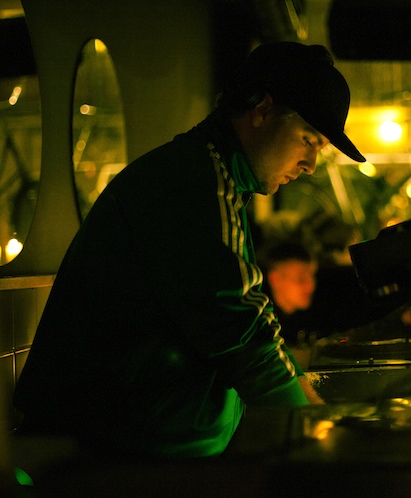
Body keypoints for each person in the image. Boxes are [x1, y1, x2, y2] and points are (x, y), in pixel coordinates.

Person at [13, 42, 365, 458]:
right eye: (308, 140)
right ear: (263, 109)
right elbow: (242, 335)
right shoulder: (194, 184)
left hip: (132, 452)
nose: (310, 165)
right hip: (105, 459)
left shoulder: (214, 177)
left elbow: (248, 323)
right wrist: (323, 435)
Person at [260, 240, 318, 370]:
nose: (310, 286)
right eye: (301, 279)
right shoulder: (261, 325)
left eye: (312, 276)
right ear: (275, 279)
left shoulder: (309, 319)